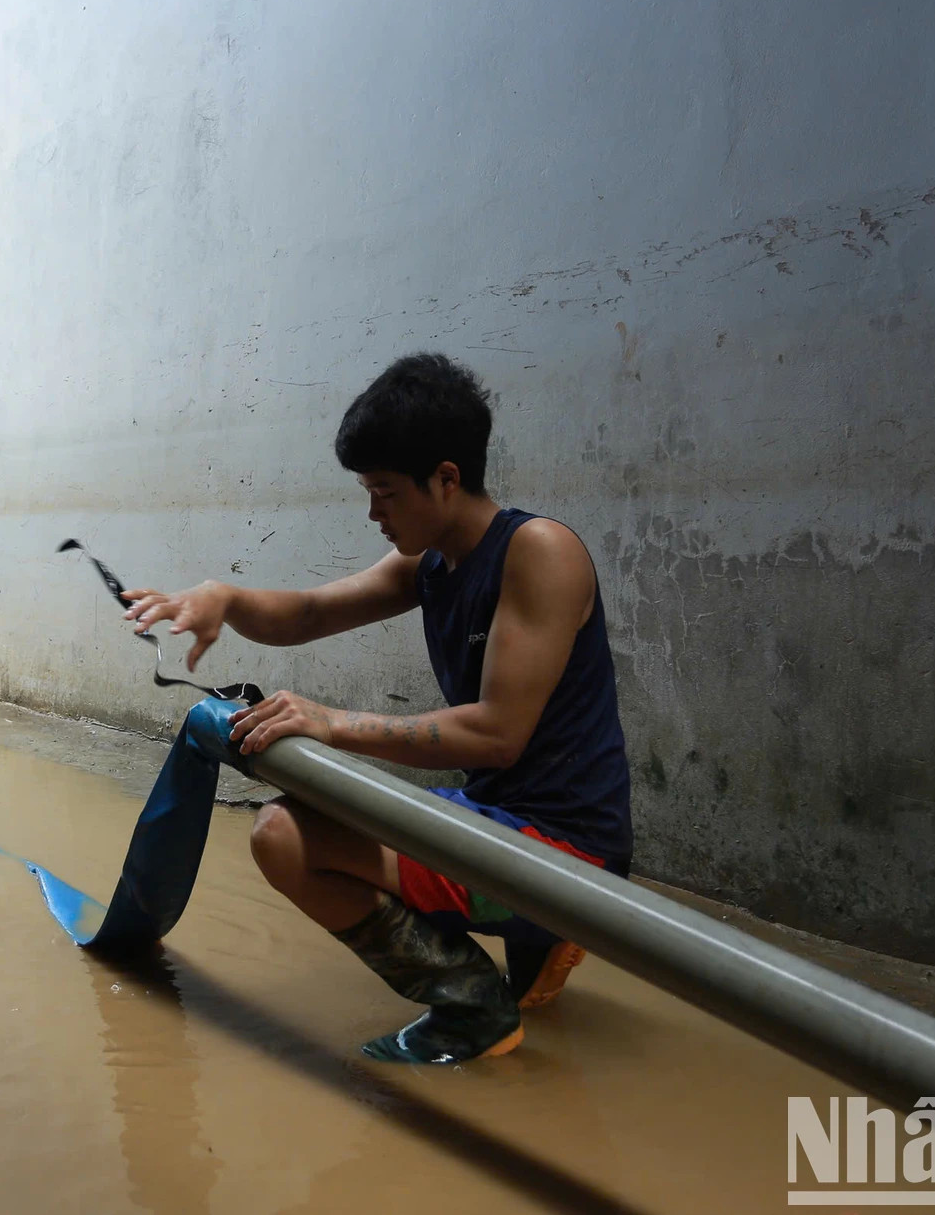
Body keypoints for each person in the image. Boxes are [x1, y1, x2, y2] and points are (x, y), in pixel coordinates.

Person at [120, 354, 632, 1065]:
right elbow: (306, 613)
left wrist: (330, 722)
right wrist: (224, 598)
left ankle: (471, 1006)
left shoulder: (539, 551)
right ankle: (527, 951)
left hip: (566, 851)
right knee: (307, 826)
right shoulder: (432, 563)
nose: (373, 512)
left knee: (282, 836)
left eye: (385, 492)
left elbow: (497, 735)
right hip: (496, 822)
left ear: (446, 478)